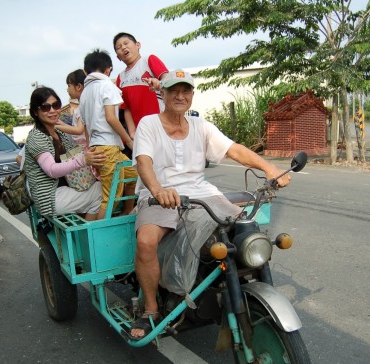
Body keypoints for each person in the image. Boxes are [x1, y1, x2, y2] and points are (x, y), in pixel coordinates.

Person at [130, 69, 292, 339]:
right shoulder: (149, 124)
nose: (180, 96)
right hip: (160, 194)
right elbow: (143, 162)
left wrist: (269, 168)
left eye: (186, 91)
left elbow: (233, 149)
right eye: (173, 91)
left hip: (201, 193)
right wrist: (158, 189)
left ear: (192, 95)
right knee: (146, 241)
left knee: (246, 229)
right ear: (164, 94)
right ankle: (150, 310)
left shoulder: (200, 126)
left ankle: (243, 289)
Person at [24, 86, 104, 220]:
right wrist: (83, 160)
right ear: (35, 112)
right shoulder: (36, 137)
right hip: (50, 198)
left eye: (56, 105)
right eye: (45, 107)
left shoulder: (59, 133)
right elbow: (51, 170)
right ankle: (89, 236)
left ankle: (86, 233)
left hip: (65, 189)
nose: (52, 111)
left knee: (99, 187)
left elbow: (70, 156)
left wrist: (91, 151)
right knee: (101, 192)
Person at [79, 49, 138, 219]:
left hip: (100, 147)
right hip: (108, 148)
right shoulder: (107, 86)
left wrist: (90, 149)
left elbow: (85, 126)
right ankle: (100, 236)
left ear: (86, 71)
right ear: (108, 70)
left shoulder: (84, 94)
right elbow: (111, 118)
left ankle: (127, 213)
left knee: (134, 174)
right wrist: (128, 141)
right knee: (111, 196)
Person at [113, 32, 168, 139]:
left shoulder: (149, 60)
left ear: (138, 45)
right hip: (142, 132)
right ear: (118, 57)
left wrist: (159, 83)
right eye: (119, 47)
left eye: (126, 43)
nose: (123, 47)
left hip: (162, 124)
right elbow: (126, 108)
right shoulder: (120, 78)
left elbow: (167, 79)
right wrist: (132, 132)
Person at [56, 69, 87, 148]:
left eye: (69, 86)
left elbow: (79, 130)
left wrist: (55, 127)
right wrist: (62, 124)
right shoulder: (82, 106)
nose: (67, 89)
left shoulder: (83, 107)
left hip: (85, 148)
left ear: (79, 87)